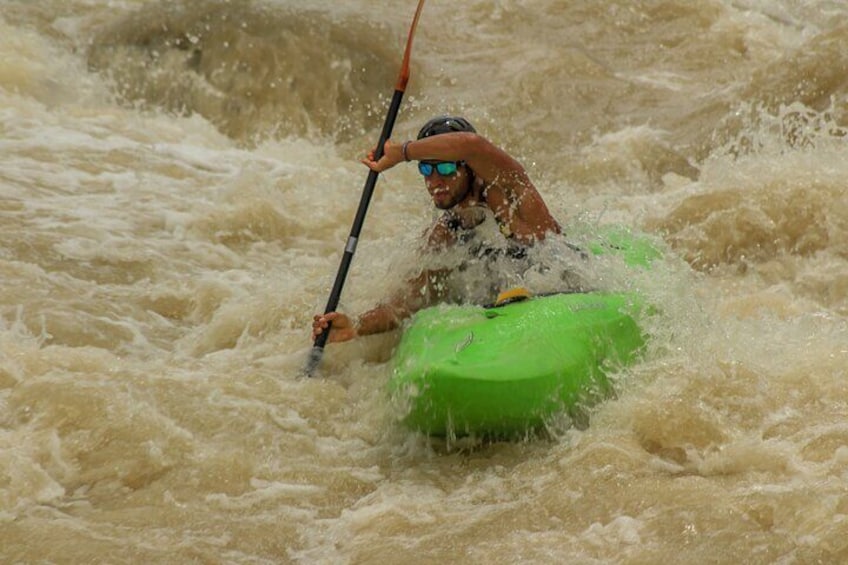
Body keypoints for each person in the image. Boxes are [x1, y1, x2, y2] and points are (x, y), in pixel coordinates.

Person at [312, 115, 562, 344]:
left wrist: (402, 152)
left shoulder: (509, 190)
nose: (435, 180)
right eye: (426, 169)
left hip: (561, 288)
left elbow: (471, 144)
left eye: (445, 168)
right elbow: (407, 300)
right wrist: (355, 326)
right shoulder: (445, 232)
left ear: (470, 167)